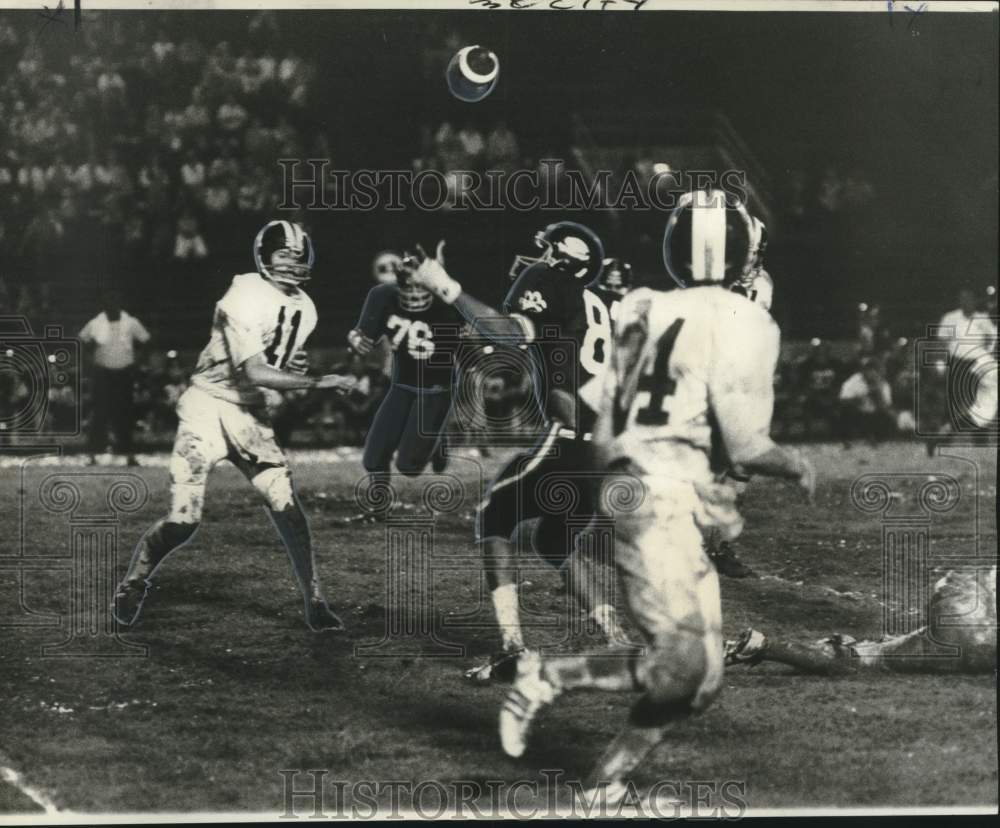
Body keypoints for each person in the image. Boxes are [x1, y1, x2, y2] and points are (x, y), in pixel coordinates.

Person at [493, 191, 815, 802]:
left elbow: (602, 419)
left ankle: (605, 787)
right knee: (682, 666)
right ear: (744, 252)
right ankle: (547, 676)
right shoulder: (750, 318)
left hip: (641, 488)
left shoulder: (642, 305)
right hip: (660, 497)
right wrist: (795, 464)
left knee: (703, 678)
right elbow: (747, 447)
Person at [411, 222, 631, 682]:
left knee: (494, 515)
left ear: (560, 258)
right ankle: (619, 640)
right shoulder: (599, 301)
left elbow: (510, 332)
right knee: (554, 541)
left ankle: (513, 647)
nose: (536, 259)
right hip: (607, 445)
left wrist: (445, 287)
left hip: (573, 439)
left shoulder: (548, 281)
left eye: (545, 251)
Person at [111, 221, 355, 631]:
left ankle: (315, 601)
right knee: (184, 522)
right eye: (283, 255)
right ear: (264, 257)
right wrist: (318, 381)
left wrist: (297, 366)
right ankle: (134, 581)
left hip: (249, 412)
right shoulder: (243, 290)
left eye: (297, 256)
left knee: (288, 508)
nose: (291, 264)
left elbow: (277, 361)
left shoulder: (307, 307)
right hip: (207, 406)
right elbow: (256, 369)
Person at [336, 251, 463, 525]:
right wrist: (355, 338)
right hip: (403, 383)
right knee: (374, 454)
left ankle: (438, 442)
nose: (416, 293)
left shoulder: (449, 305)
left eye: (422, 285)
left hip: (436, 389)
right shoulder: (382, 296)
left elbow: (474, 346)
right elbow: (363, 335)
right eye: (410, 285)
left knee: (409, 466)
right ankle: (378, 511)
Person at [726, 566, 996, 675]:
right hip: (980, 637)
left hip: (971, 609)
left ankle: (763, 645)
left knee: (855, 659)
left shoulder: (930, 646)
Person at [78, 289, 151, 466]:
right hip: (102, 374)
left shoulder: (131, 322)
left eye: (114, 300)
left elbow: (146, 340)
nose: (111, 304)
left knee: (124, 414)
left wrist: (137, 361)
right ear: (103, 304)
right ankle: (93, 454)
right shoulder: (96, 323)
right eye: (107, 301)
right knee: (99, 415)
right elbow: (82, 340)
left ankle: (128, 454)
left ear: (119, 302)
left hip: (124, 373)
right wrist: (90, 361)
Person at [935, 287, 997, 435]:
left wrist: (986, 353)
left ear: (974, 301)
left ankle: (979, 438)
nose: (966, 301)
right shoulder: (950, 318)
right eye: (963, 298)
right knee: (953, 399)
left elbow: (992, 339)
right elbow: (942, 340)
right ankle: (945, 435)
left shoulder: (983, 319)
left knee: (979, 401)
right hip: (956, 362)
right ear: (959, 300)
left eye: (969, 298)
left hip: (977, 364)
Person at [838, 358, 896, 443]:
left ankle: (878, 438)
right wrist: (859, 398)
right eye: (869, 370)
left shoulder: (883, 384)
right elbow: (842, 400)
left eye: (875, 371)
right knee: (845, 412)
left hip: (875, 414)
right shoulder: (853, 381)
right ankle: (850, 438)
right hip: (858, 413)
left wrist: (878, 394)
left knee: (888, 417)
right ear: (864, 371)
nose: (872, 374)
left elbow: (887, 406)